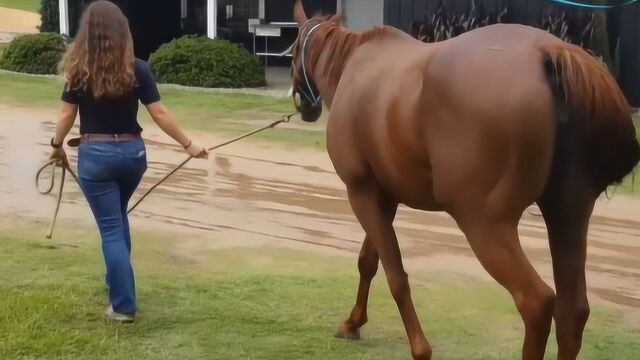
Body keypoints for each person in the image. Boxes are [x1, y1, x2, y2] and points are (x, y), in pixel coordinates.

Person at [48, 1, 208, 323]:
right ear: (123, 32)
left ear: (88, 35)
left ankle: (122, 306)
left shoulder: (80, 70)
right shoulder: (139, 68)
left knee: (110, 227)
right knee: (118, 219)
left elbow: (67, 115)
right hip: (133, 156)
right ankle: (117, 280)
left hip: (97, 157)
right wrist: (189, 145)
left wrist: (56, 145)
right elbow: (159, 113)